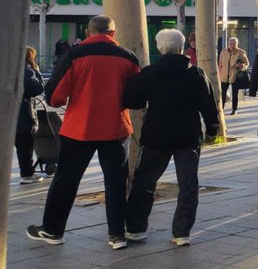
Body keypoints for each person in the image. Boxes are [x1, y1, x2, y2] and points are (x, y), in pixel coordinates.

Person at [28, 14, 140, 249]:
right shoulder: (128, 58)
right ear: (113, 33)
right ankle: (117, 234)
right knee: (116, 182)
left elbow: (54, 96)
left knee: (66, 180)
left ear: (89, 32)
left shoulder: (75, 55)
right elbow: (136, 97)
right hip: (115, 128)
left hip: (80, 128)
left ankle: (53, 230)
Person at [122, 29, 220, 246]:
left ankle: (136, 228)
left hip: (157, 135)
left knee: (145, 181)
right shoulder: (196, 74)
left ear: (160, 48)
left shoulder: (150, 73)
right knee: (187, 183)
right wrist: (213, 129)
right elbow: (209, 106)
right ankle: (181, 231)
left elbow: (133, 100)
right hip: (188, 135)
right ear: (182, 47)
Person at [16, 47, 45, 184]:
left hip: (11, 112)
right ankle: (27, 174)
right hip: (22, 114)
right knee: (25, 145)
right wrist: (36, 71)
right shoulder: (26, 71)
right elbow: (38, 88)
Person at [217, 37, 249, 115]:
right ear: (228, 44)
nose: (233, 45)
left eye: (234, 44)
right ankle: (222, 109)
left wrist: (241, 65)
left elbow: (246, 63)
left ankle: (234, 109)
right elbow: (220, 63)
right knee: (223, 93)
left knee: (235, 93)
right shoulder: (224, 51)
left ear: (237, 44)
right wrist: (219, 73)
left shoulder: (241, 52)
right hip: (224, 75)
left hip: (235, 75)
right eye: (231, 43)